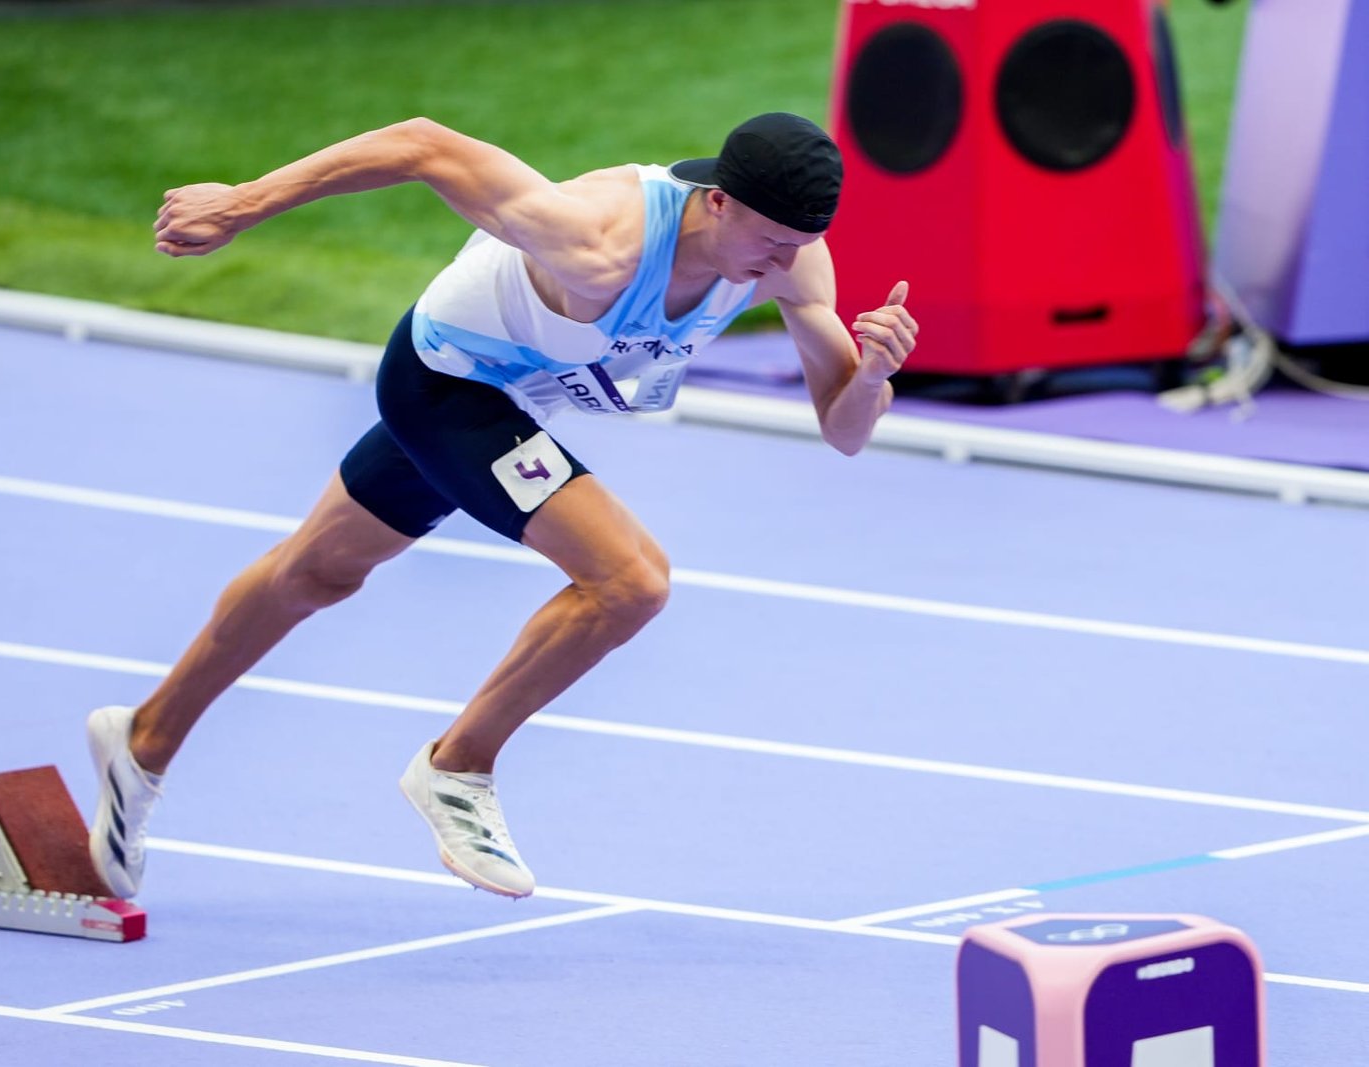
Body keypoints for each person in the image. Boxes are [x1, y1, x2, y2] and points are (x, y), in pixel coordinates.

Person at [86, 112, 917, 902]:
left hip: (518, 401)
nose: (783, 265)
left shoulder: (794, 261)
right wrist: (241, 203)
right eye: (773, 241)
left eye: (802, 246)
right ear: (718, 200)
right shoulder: (602, 238)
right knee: (630, 580)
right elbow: (422, 145)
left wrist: (873, 378)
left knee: (318, 572)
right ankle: (458, 767)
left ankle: (144, 738)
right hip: (445, 384)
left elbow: (844, 433)